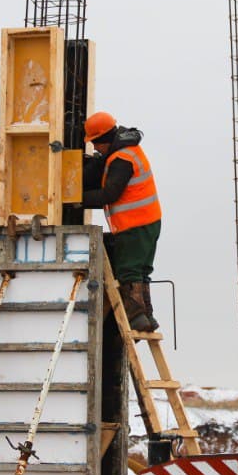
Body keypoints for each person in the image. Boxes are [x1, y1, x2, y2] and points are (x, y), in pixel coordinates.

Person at [80, 111, 162, 333]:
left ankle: (136, 317)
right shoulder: (126, 152)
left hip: (134, 224)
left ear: (103, 139)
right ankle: (146, 316)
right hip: (148, 221)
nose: (95, 148)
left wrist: (77, 199)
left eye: (96, 143)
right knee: (142, 271)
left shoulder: (122, 159)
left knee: (129, 271)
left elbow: (110, 194)